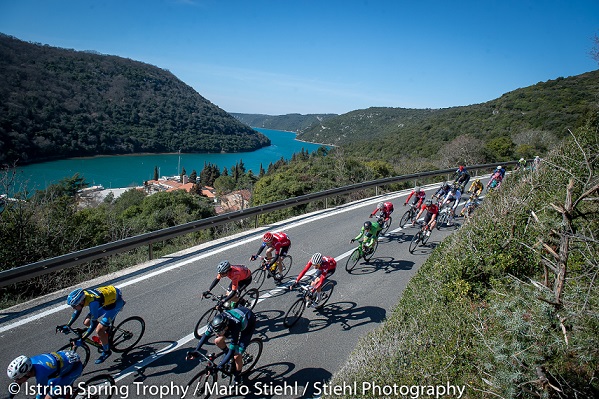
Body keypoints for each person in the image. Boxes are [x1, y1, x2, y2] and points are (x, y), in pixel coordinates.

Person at [186, 306, 256, 385]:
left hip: (248, 321)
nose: (217, 334)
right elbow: (205, 336)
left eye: (219, 332)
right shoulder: (215, 322)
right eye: (216, 332)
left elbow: (231, 351)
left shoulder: (234, 328)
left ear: (226, 328)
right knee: (217, 341)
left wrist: (218, 367)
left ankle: (238, 377)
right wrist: (196, 350)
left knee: (237, 355)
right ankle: (227, 358)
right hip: (235, 316)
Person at [59, 285, 125, 364]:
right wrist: (68, 325)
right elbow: (77, 311)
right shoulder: (84, 297)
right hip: (106, 301)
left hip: (115, 303)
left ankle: (107, 351)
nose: (73, 308)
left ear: (81, 302)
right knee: (86, 322)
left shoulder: (93, 303)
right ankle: (106, 332)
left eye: (74, 306)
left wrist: (82, 339)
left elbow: (93, 324)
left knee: (99, 330)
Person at [6, 351, 83, 399]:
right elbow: (18, 383)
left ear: (27, 373)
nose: (15, 381)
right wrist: (10, 397)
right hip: (66, 357)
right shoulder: (30, 363)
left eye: (17, 378)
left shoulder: (41, 374)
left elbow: (40, 395)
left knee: (48, 396)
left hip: (74, 368)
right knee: (50, 386)